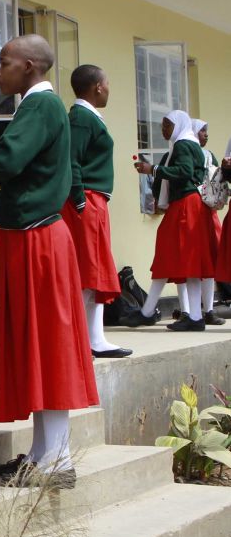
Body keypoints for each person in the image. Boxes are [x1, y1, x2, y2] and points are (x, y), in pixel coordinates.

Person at [0, 34, 98, 488]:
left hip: (36, 242)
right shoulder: (38, 107)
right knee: (36, 344)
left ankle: (57, 460)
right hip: (31, 237)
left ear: (29, 66)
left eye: (4, 62)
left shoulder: (39, 107)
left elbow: (7, 160)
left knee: (45, 343)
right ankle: (44, 454)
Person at [59, 65, 132, 358]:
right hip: (86, 201)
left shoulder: (87, 117)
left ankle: (94, 337)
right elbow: (71, 159)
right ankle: (81, 338)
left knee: (95, 271)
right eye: (108, 83)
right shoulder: (81, 118)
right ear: (98, 87)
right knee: (86, 271)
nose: (109, 89)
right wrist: (78, 199)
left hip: (93, 202)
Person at [127, 111, 216, 331]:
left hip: (185, 205)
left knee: (172, 255)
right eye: (163, 125)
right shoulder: (190, 143)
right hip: (190, 205)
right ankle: (190, 315)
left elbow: (184, 171)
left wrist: (153, 169)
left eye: (167, 125)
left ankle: (155, 312)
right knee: (187, 260)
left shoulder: (183, 145)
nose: (163, 130)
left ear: (179, 125)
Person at [193, 119, 224, 325]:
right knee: (194, 260)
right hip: (194, 211)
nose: (206, 134)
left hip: (209, 210)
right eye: (202, 131)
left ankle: (209, 308)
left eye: (207, 131)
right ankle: (191, 310)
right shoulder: (183, 151)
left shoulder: (209, 155)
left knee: (211, 259)